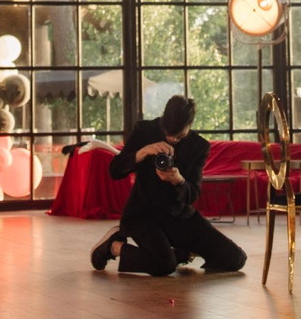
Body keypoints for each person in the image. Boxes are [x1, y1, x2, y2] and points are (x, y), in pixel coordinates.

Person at [92, 98, 246, 276]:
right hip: (142, 215)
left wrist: (179, 180)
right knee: (164, 265)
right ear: (163, 120)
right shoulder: (145, 130)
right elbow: (115, 171)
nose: (172, 139)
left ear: (190, 125)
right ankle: (114, 246)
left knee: (236, 259)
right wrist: (143, 152)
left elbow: (192, 195)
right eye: (168, 134)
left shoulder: (198, 146)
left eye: (179, 136)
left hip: (178, 216)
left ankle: (180, 252)